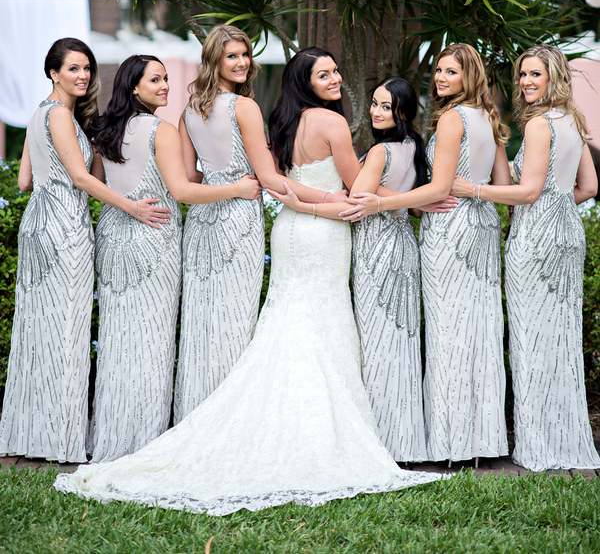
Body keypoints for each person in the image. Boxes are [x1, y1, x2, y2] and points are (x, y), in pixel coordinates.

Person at [54, 47, 442, 513]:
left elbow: (250, 179)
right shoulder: (321, 122)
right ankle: (315, 433)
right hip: (320, 230)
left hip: (279, 230)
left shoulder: (249, 117)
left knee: (281, 321)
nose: (337, 78)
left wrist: (300, 202)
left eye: (337, 70)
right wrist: (409, 197)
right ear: (306, 80)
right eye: (326, 73)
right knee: (320, 322)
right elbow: (348, 187)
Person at [0, 38, 169, 464]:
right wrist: (132, 206)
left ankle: (29, 434)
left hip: (37, 223)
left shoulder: (39, 113)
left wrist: (86, 152)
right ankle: (59, 440)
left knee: (39, 329)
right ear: (53, 72)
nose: (83, 76)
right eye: (73, 68)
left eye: (87, 69)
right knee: (67, 331)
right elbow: (79, 178)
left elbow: (24, 181)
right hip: (65, 229)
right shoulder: (60, 116)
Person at [88, 55, 261, 462]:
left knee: (118, 337)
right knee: (153, 338)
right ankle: (146, 443)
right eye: (155, 80)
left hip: (113, 236)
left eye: (166, 78)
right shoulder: (160, 130)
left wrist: (128, 206)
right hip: (155, 236)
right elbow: (182, 192)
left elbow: (96, 183)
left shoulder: (106, 130)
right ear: (133, 87)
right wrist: (236, 188)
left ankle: (113, 438)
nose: (165, 86)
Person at [344, 44, 510, 465]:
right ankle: (480, 442)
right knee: (480, 331)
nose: (440, 78)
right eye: (438, 70)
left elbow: (440, 189)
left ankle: (452, 444)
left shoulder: (453, 118)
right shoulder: (490, 119)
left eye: (451, 72)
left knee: (449, 333)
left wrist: (380, 203)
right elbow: (503, 183)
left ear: (469, 77)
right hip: (483, 226)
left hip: (450, 230)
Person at [174, 29, 348, 422]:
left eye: (245, 55)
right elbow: (269, 179)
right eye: (231, 56)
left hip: (202, 220)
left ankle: (198, 413)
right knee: (236, 318)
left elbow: (190, 177)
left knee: (204, 318)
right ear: (213, 61)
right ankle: (229, 419)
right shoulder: (243, 106)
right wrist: (327, 197)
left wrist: (222, 182)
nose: (241, 63)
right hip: (237, 218)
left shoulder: (188, 111)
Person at [270, 76, 440, 461]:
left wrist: (304, 205)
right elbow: (403, 198)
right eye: (375, 104)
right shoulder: (414, 145)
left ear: (403, 111)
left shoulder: (380, 153)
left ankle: (380, 435)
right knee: (402, 335)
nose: (377, 112)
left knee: (377, 339)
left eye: (386, 107)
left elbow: (358, 196)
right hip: (403, 242)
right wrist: (414, 202)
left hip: (376, 242)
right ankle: (406, 438)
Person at [451, 44, 600, 471]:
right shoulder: (573, 120)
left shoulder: (539, 126)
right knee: (562, 340)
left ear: (554, 77)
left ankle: (541, 447)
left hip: (535, 242)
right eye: (522, 75)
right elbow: (587, 188)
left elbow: (529, 192)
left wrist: (472, 190)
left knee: (533, 341)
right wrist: (555, 204)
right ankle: (568, 440)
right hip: (568, 236)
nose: (526, 82)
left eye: (536, 74)